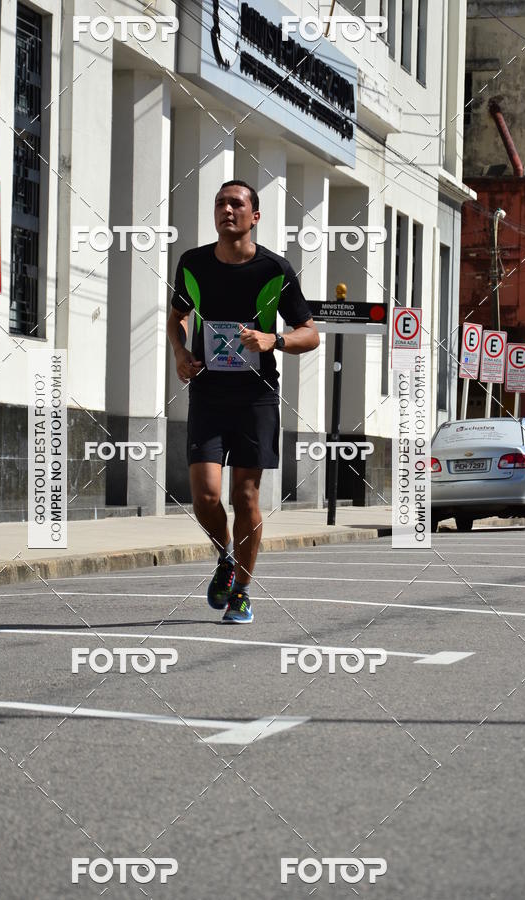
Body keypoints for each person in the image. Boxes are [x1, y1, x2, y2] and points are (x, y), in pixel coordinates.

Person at [166, 180, 320, 623]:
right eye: (220, 203)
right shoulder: (192, 263)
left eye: (237, 204)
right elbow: (176, 319)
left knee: (246, 496)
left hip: (256, 397)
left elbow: (310, 332)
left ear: (254, 217)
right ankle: (227, 558)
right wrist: (181, 353)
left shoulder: (275, 269)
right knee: (206, 496)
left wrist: (274, 340)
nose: (227, 210)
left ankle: (242, 592)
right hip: (209, 395)